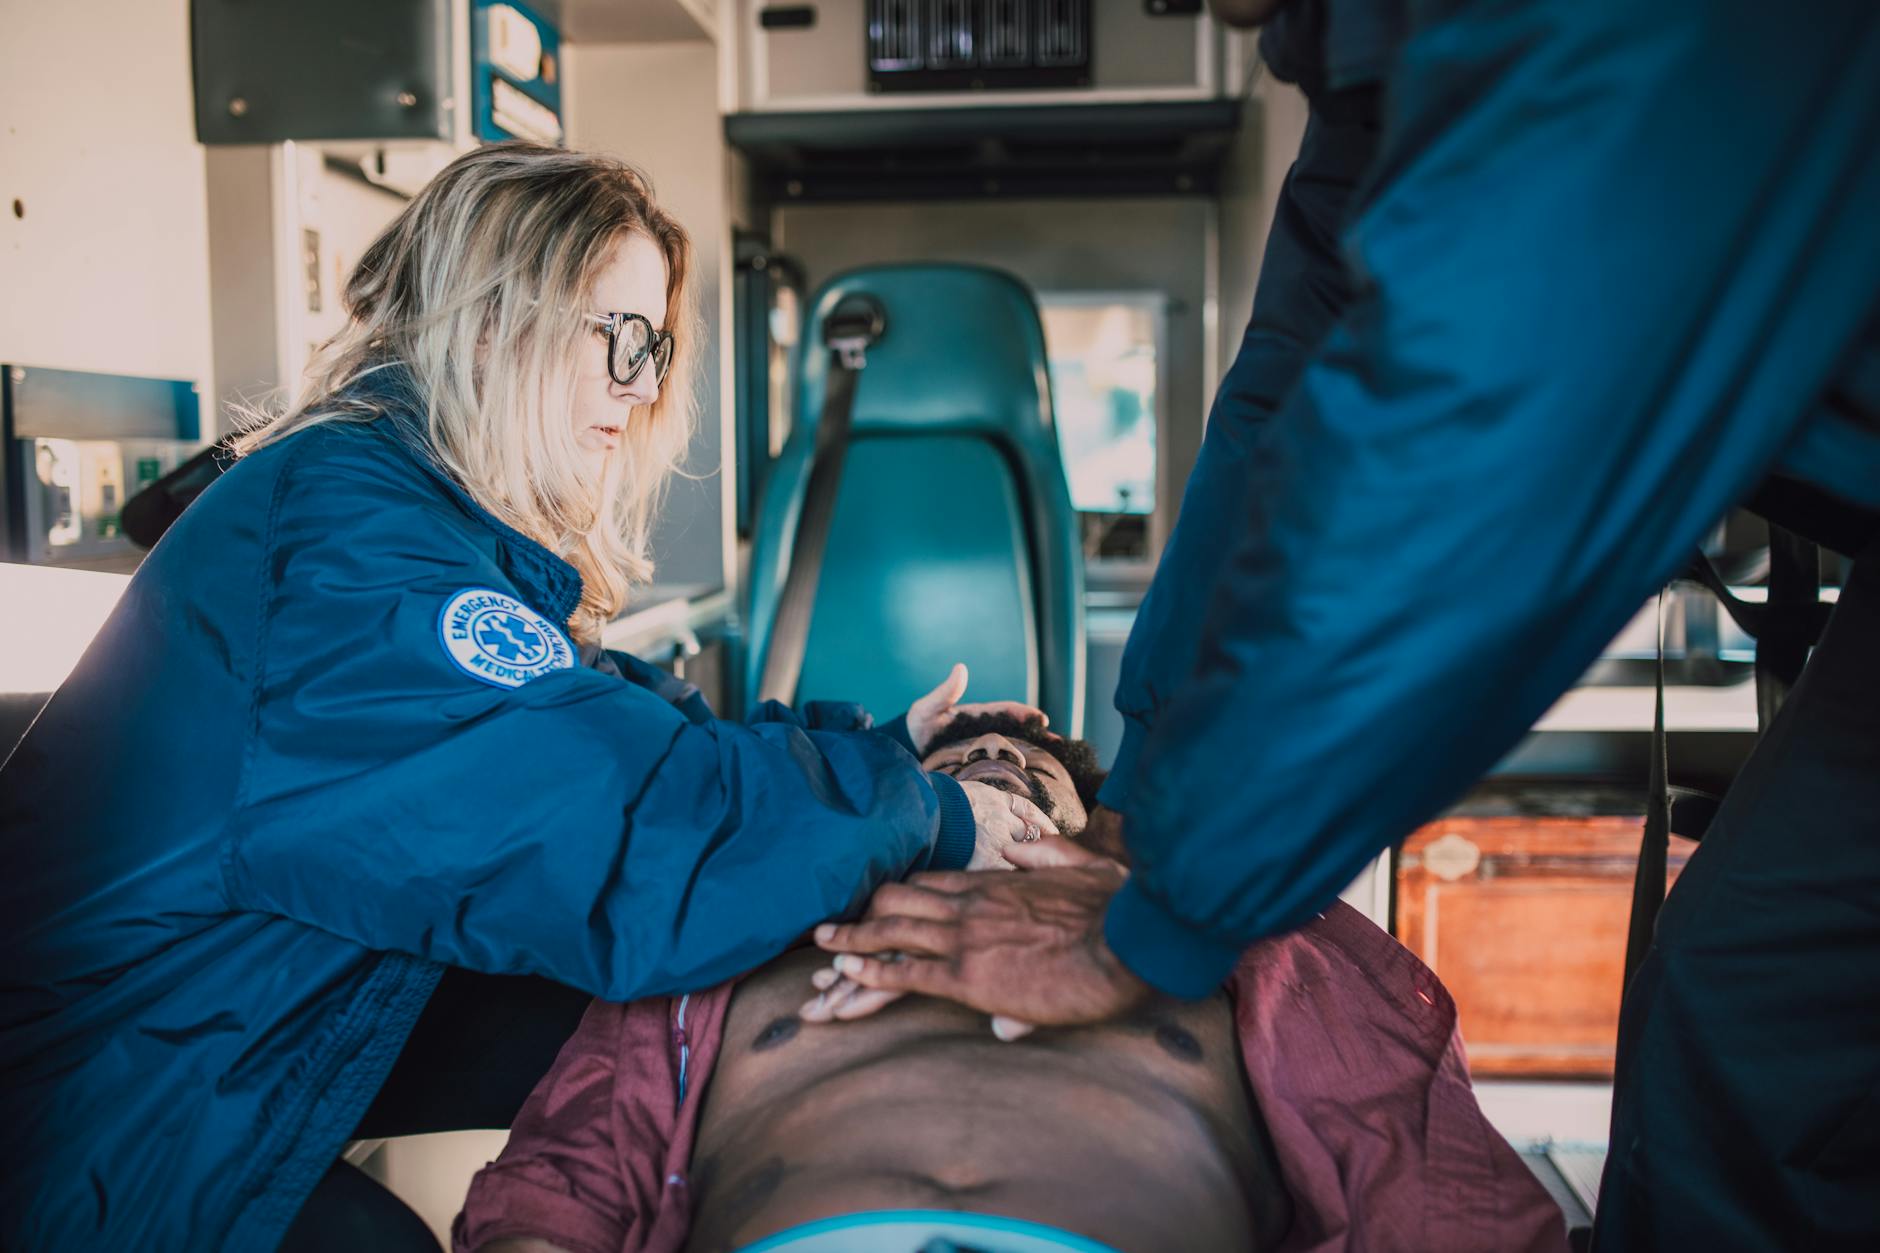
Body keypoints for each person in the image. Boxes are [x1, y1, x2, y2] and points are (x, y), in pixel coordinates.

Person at [811, 2, 1880, 1247]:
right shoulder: (1379, 73)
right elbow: (1283, 402)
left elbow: (1459, 459)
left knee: (1760, 1010)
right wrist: (1145, 799)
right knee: (1755, 1001)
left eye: (1023, 759)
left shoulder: (1583, 31)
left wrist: (1169, 917)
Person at [0, 143, 1058, 1252]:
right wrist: (923, 812)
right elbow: (612, 814)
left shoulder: (402, 505)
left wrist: (877, 748)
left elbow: (611, 725)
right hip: (95, 1115)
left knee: (662, 1004)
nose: (643, 388)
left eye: (655, 350)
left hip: (204, 1017)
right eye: (624, 341)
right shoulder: (352, 546)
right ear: (499, 318)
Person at [453, 714, 1568, 1253]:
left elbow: (1425, 1181)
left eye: (1031, 774)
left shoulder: (1243, 943)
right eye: (960, 771)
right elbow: (566, 1175)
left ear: (1098, 833)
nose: (998, 766)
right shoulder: (737, 932)